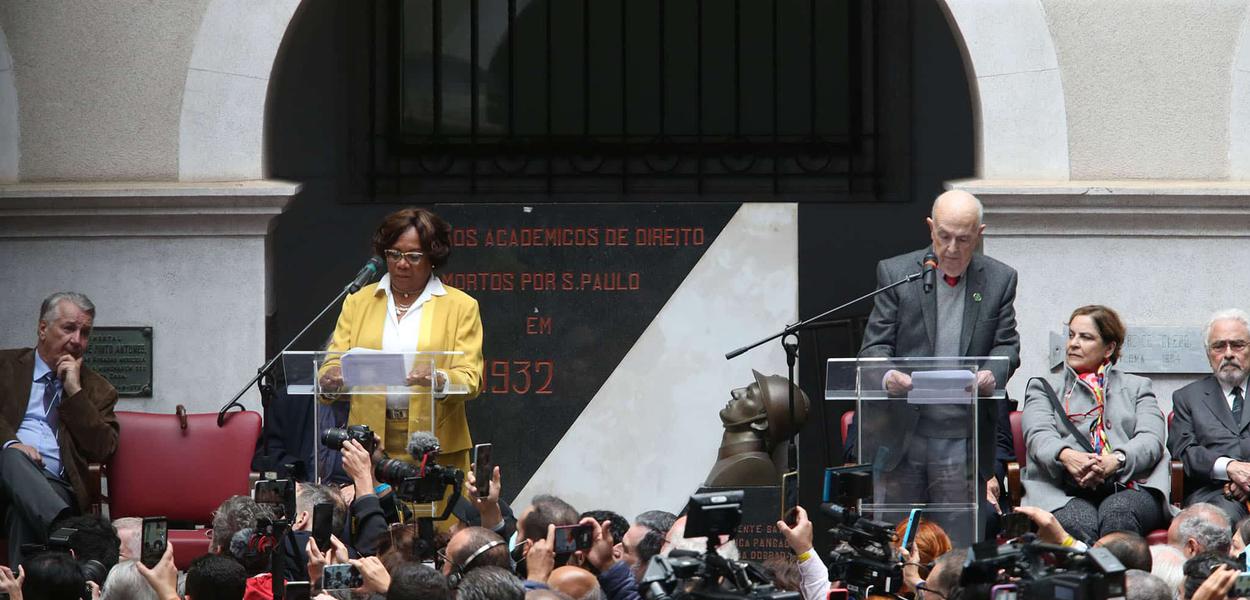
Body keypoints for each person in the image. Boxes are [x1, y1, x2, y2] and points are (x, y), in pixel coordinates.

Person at [853, 190, 1021, 540]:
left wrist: (993, 371)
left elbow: (1007, 344)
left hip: (962, 436)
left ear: (980, 233)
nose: (953, 249)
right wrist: (889, 376)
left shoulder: (1000, 279)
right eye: (944, 236)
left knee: (956, 543)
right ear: (930, 228)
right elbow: (874, 348)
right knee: (897, 539)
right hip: (903, 433)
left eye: (964, 238)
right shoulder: (897, 273)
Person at [317, 207, 484, 509]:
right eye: (394, 254)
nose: (401, 264)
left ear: (433, 256)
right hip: (370, 446)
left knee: (436, 539)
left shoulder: (461, 306)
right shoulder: (358, 301)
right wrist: (329, 379)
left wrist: (438, 378)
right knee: (378, 537)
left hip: (432, 445)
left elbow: (471, 379)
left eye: (413, 256)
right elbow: (333, 362)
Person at [1021, 305, 1170, 543]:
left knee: (1119, 514)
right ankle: (1083, 579)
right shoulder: (1043, 387)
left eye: (1086, 337)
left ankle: (1125, 580)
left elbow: (1151, 439)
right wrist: (1068, 456)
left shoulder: (1137, 387)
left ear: (1109, 348)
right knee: (1074, 521)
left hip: (1129, 486)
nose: (1073, 344)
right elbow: (1037, 435)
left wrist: (1116, 460)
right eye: (1071, 335)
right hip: (1061, 490)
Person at [0, 292, 120, 567]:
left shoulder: (99, 390)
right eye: (69, 328)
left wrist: (75, 392)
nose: (77, 341)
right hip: (3, 475)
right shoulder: (5, 366)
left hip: (56, 488)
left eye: (85, 332)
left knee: (23, 513)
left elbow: (104, 448)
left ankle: (26, 589)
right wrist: (10, 444)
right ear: (43, 328)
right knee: (11, 456)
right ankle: (69, 531)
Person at [1169, 309, 1250, 523]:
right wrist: (1230, 468)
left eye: (1238, 345)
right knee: (1216, 522)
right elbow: (1185, 451)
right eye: (1219, 346)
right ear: (1208, 354)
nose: (1229, 353)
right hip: (1215, 493)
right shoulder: (1187, 397)